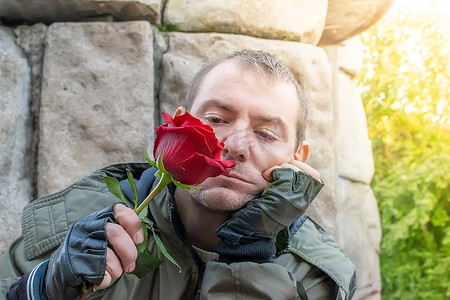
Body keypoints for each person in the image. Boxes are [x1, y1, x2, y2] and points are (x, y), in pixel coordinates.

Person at [0, 50, 356, 299]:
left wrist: (249, 256)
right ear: (179, 124)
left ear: (297, 158)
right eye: (216, 119)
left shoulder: (320, 278)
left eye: (266, 133)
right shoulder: (76, 223)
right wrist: (43, 288)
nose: (236, 144)